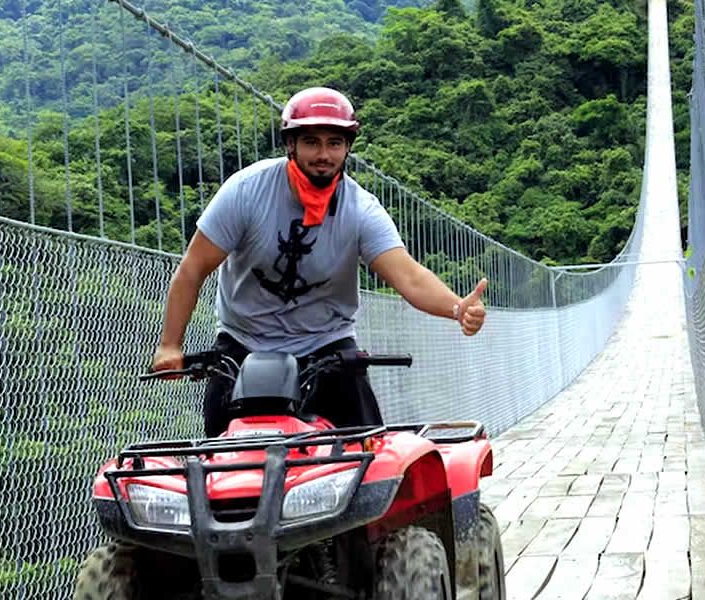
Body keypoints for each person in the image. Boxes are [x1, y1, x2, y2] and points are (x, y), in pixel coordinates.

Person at [151, 86, 487, 436]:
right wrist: (170, 345)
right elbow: (193, 269)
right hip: (243, 346)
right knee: (223, 459)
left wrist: (456, 308)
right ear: (290, 144)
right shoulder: (246, 191)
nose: (324, 154)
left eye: (334, 143)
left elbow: (409, 276)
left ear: (347, 148)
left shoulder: (361, 209)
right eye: (311, 142)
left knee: (367, 452)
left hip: (327, 346)